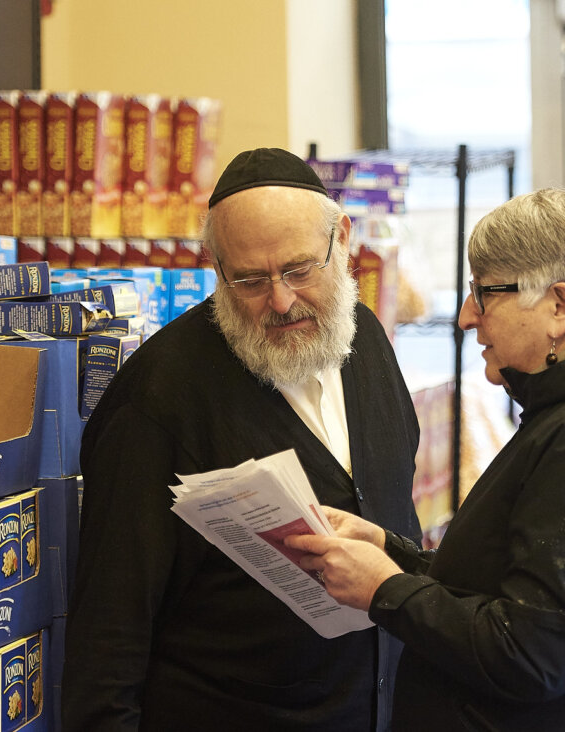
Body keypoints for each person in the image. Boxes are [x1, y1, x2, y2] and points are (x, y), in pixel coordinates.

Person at [286, 187, 565, 730]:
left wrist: (387, 589)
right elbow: (513, 587)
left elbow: (534, 652)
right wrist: (389, 554)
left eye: (485, 292)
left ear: (560, 307)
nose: (466, 316)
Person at [61, 147, 423, 731]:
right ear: (217, 268)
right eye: (250, 280)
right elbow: (109, 635)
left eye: (300, 271)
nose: (280, 301)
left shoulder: (370, 344)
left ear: (343, 239)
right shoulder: (159, 397)